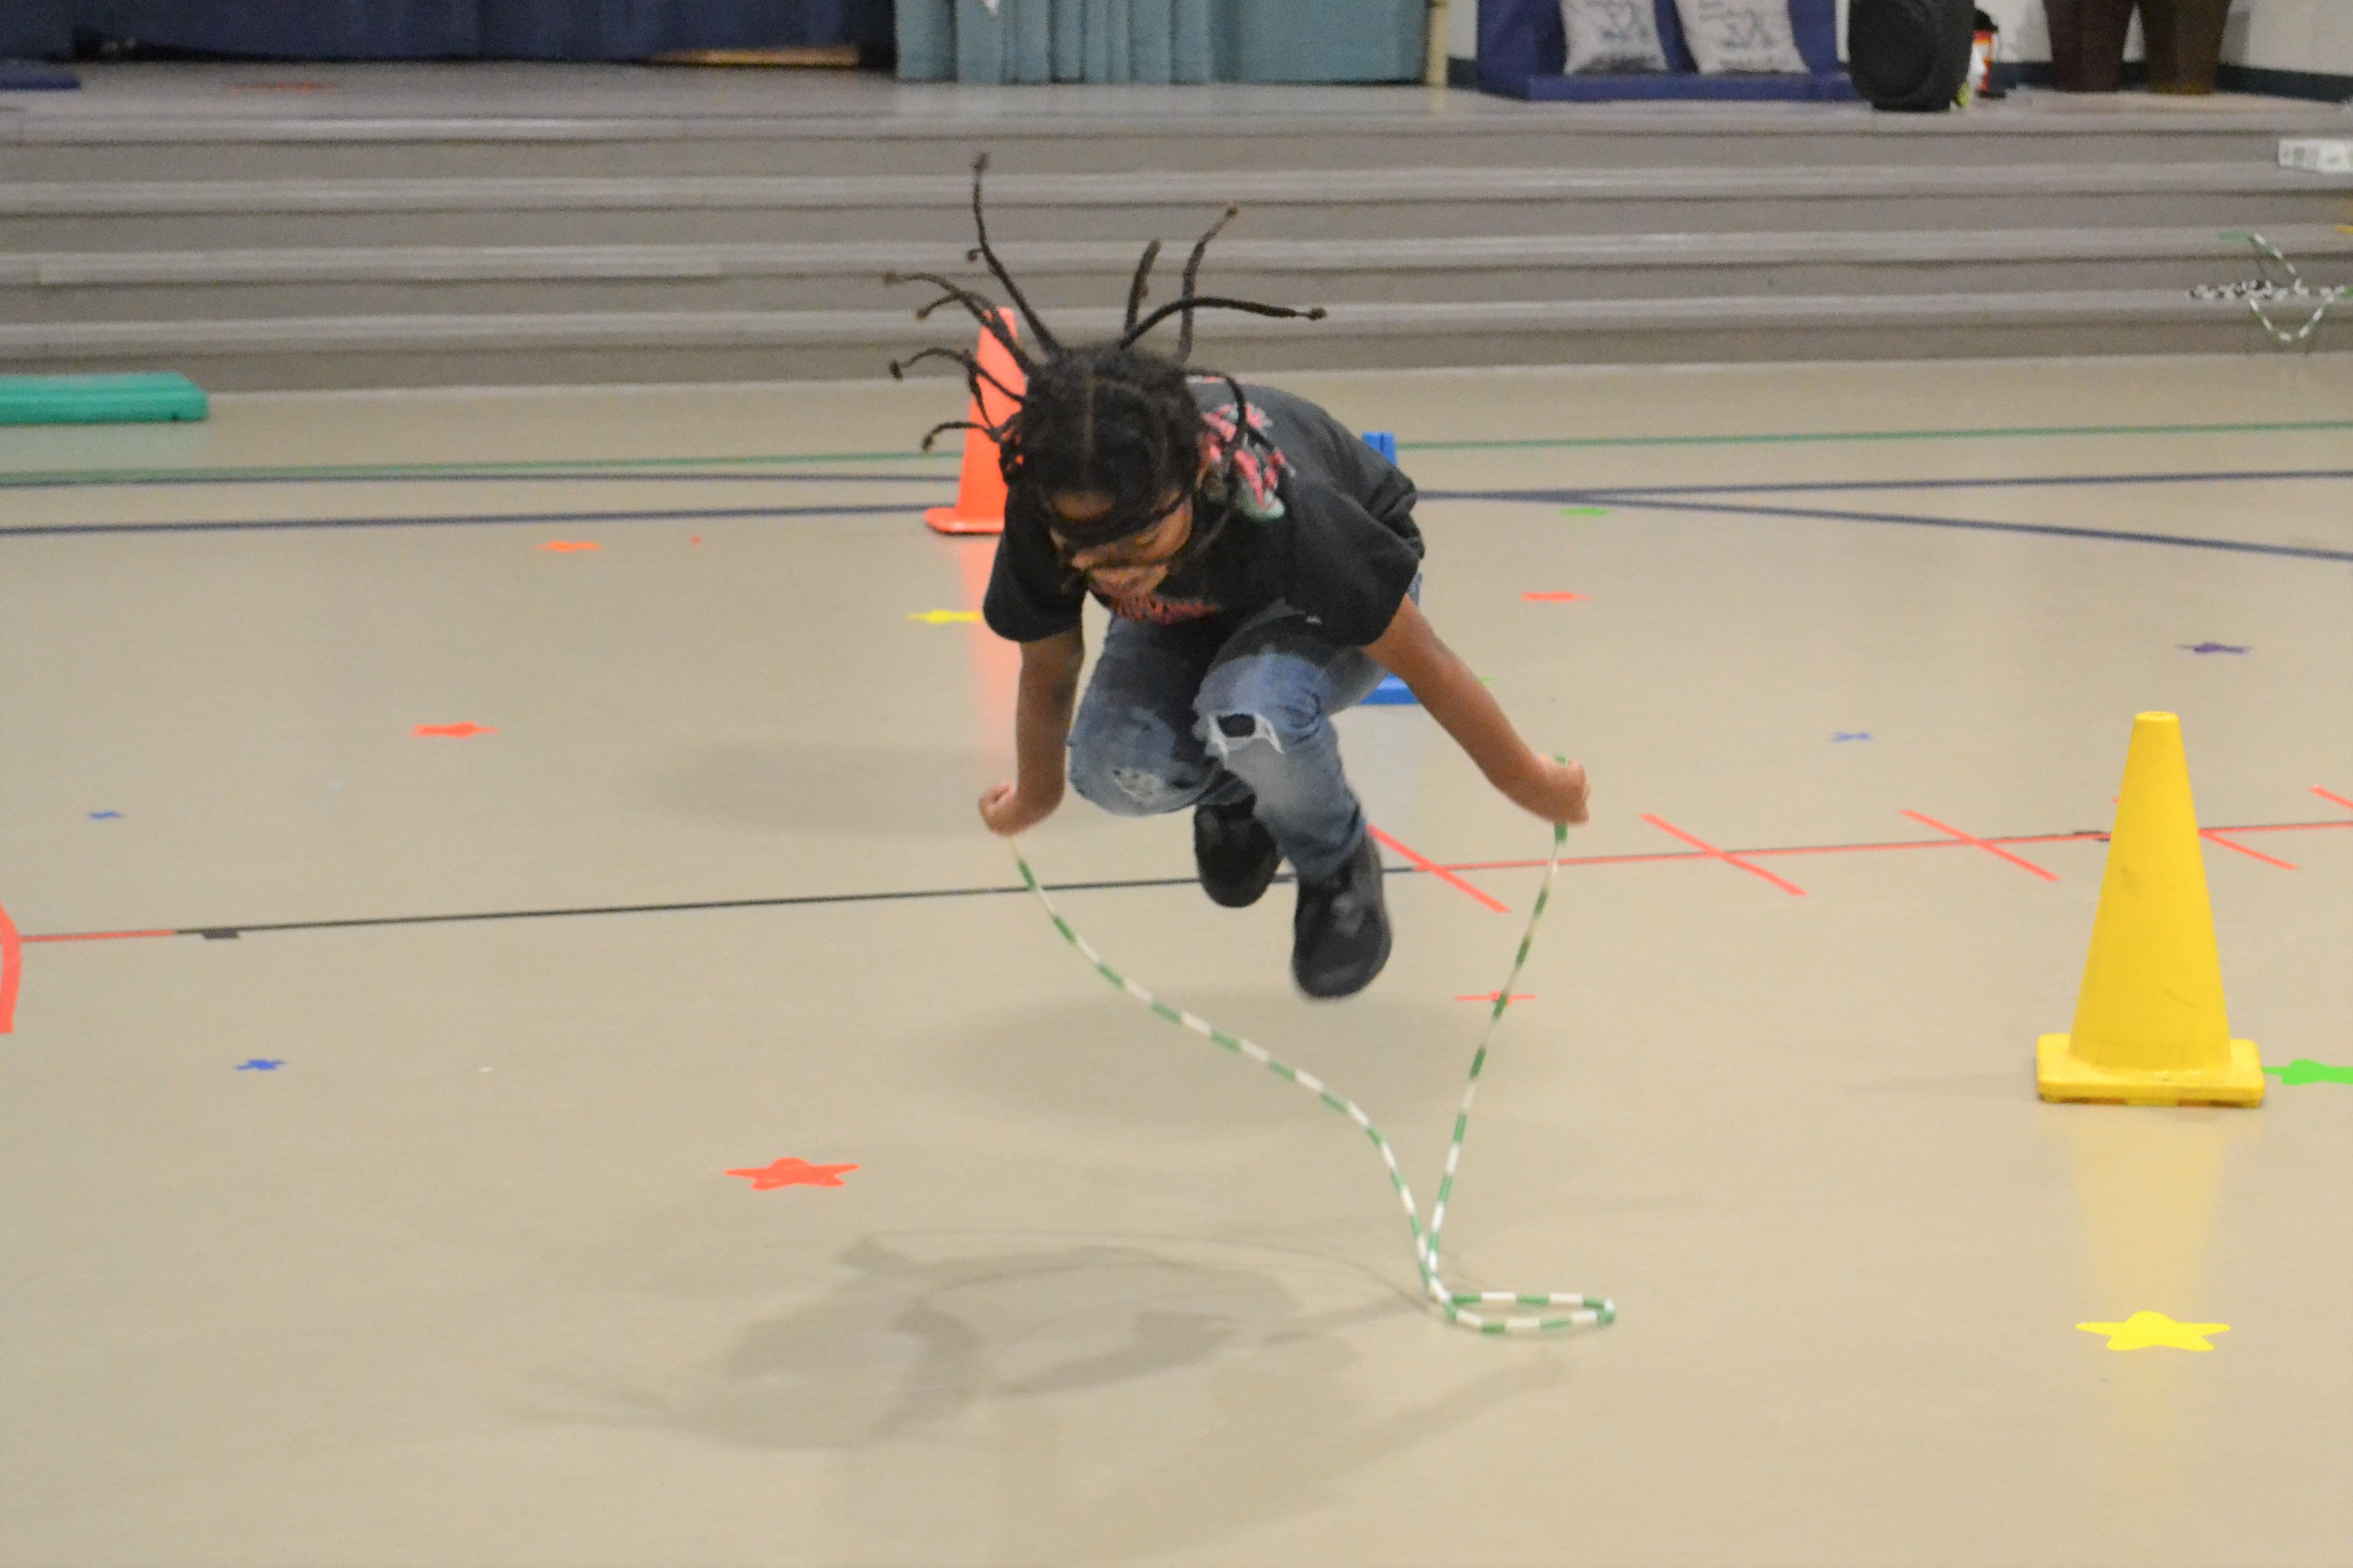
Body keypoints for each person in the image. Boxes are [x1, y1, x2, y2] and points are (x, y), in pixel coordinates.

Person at [892, 161, 1589, 1000]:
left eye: (1138, 541)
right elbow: (1048, 671)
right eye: (1092, 558)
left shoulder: (1281, 507)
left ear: (1189, 479)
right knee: (1116, 772)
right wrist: (1037, 796)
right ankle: (1238, 793)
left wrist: (1527, 781)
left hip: (1313, 602)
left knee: (1252, 711)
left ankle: (1335, 862)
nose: (1116, 570)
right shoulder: (1052, 509)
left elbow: (1425, 662)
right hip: (1185, 614)